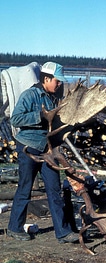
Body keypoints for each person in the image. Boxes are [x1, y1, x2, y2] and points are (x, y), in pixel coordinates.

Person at [7, 62, 79, 243]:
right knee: (25, 188)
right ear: (46, 79)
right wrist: (39, 115)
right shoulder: (30, 95)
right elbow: (15, 119)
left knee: (54, 189)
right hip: (28, 147)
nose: (60, 84)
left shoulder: (53, 98)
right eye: (57, 81)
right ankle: (14, 228)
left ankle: (63, 232)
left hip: (48, 150)